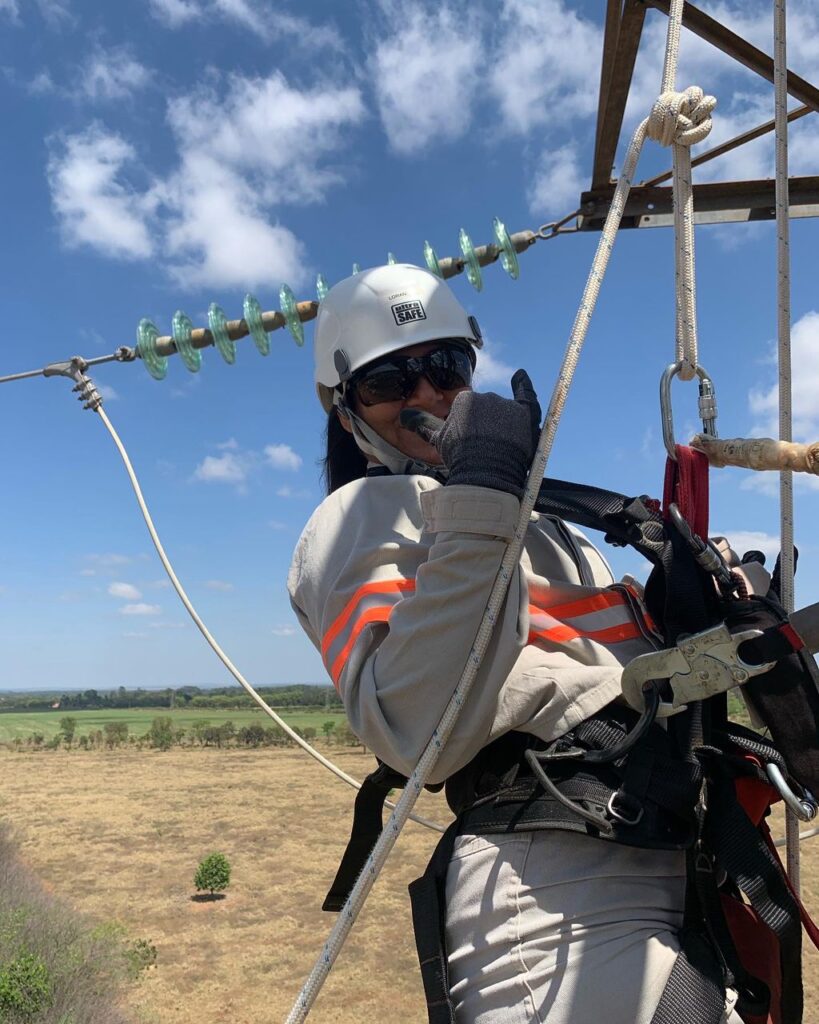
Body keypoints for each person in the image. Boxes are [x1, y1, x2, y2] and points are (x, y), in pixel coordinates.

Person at [287, 263, 745, 1024]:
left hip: (659, 843)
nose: (427, 393)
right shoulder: (361, 515)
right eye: (388, 381)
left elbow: (596, 674)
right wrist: (486, 489)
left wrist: (689, 609)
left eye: (444, 367)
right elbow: (419, 732)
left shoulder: (548, 527)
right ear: (347, 412)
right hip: (555, 886)